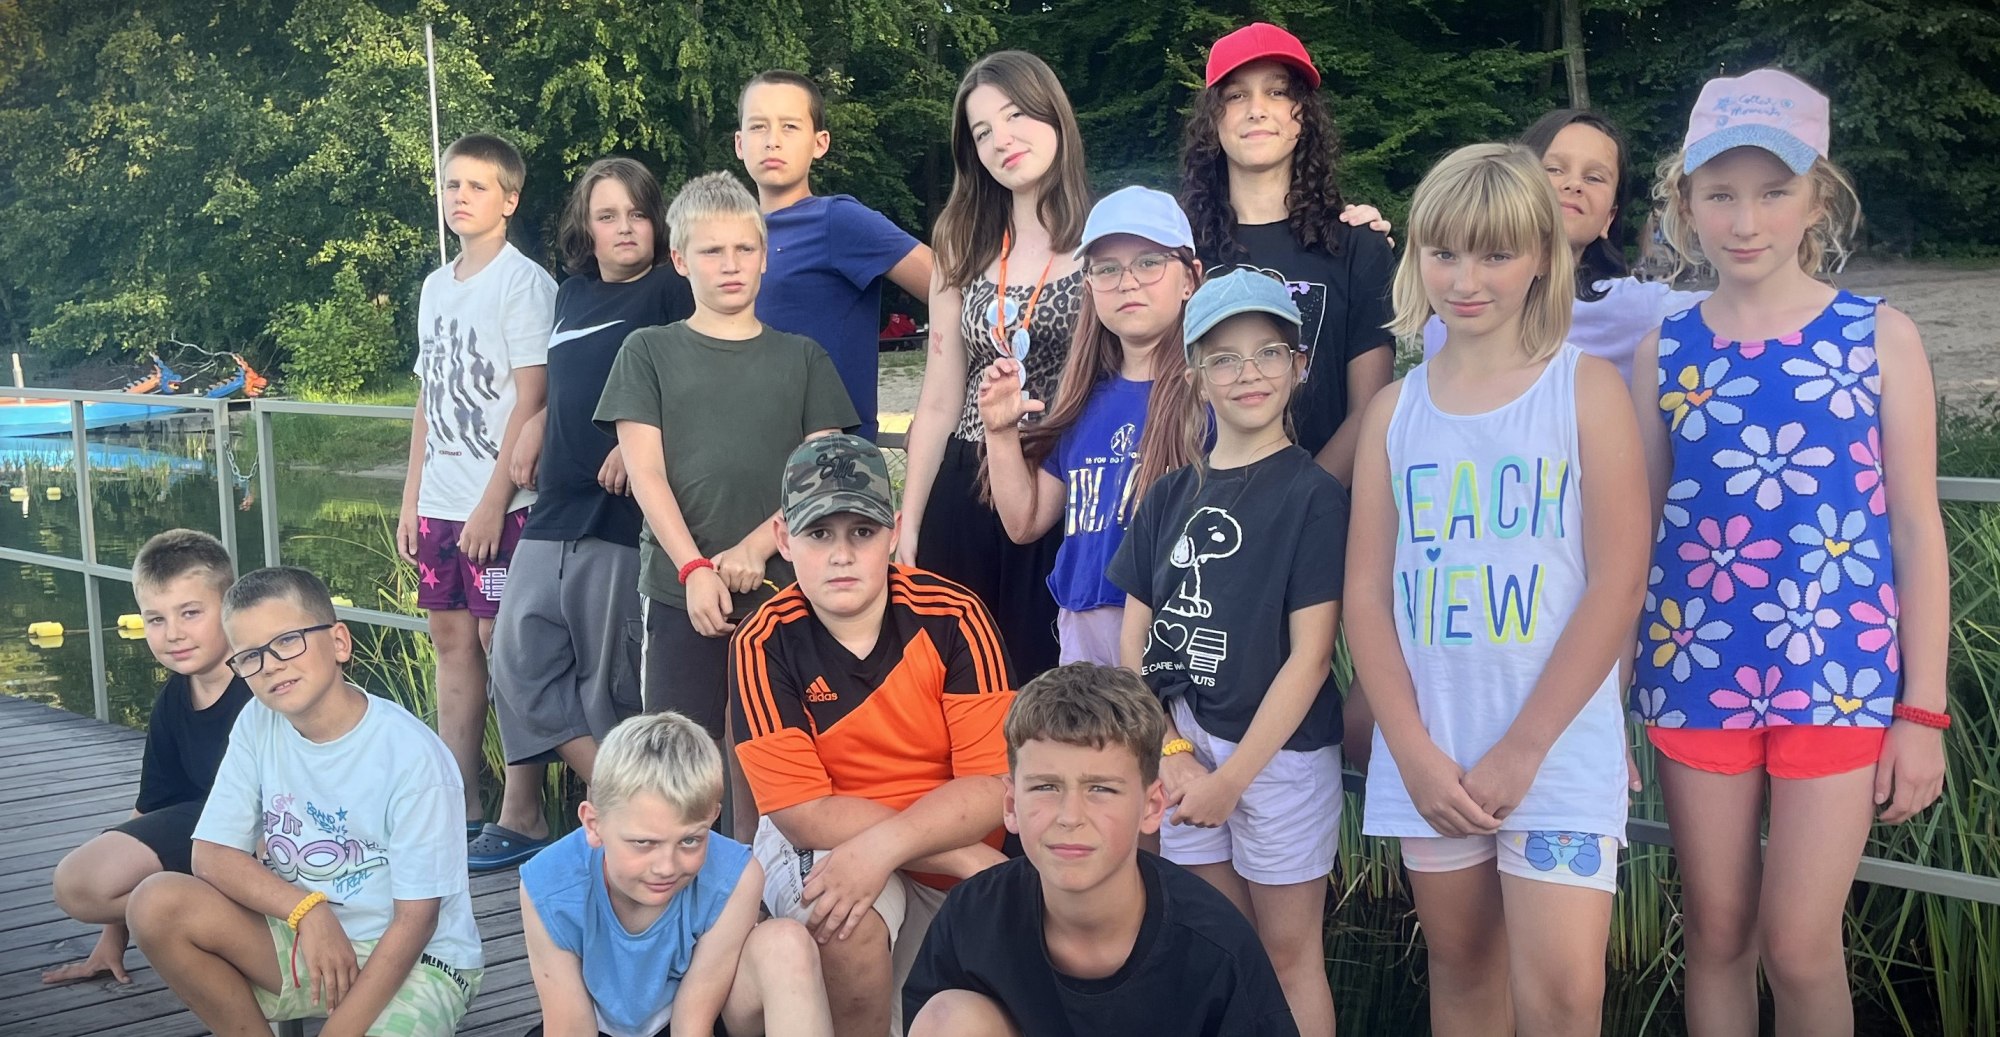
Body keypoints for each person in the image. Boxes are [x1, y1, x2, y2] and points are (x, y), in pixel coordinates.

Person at [1630, 69, 1950, 1036]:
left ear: (1818, 197)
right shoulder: (1664, 349)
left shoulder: (1879, 336)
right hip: (1694, 670)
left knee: (1802, 945)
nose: (1745, 220)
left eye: (1774, 191)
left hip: (1841, 675)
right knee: (1718, 934)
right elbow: (1637, 533)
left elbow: (1916, 530)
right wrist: (1608, 693)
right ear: (1686, 201)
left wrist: (1922, 712)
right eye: (1720, 194)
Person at [1346, 143, 1648, 1037]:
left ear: (1543, 258)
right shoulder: (1394, 412)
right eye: (1443, 253)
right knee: (1465, 975)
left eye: (1495, 254)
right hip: (1432, 754)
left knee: (1563, 998)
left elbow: (1618, 580)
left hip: (1555, 753)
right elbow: (1366, 594)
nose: (1465, 279)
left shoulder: (1585, 391)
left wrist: (1524, 747)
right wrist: (1411, 750)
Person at [1106, 269, 1348, 1036]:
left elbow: (1311, 657)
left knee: (1287, 955)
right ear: (1195, 374)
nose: (1249, 373)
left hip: (1278, 756)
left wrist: (1231, 779)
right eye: (1225, 357)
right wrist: (1171, 753)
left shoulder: (1314, 495)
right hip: (1182, 743)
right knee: (1215, 949)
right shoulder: (1167, 495)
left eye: (1268, 352)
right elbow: (1134, 643)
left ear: (1299, 365)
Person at [594, 171, 857, 833]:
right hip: (681, 590)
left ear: (766, 256)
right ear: (681, 259)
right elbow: (645, 474)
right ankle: (684, 885)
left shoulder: (804, 359)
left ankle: (764, 886)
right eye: (712, 251)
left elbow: (821, 478)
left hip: (788, 590)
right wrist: (695, 567)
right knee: (679, 764)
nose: (731, 265)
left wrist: (756, 547)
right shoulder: (647, 351)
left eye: (745, 249)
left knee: (775, 758)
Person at [730, 434, 1015, 1037]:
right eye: (818, 533)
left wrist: (893, 845)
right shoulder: (764, 640)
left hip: (947, 842)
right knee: (843, 915)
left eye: (862, 531)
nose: (842, 555)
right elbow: (802, 813)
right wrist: (956, 854)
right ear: (783, 538)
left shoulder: (956, 615)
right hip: (840, 837)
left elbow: (994, 785)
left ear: (895, 532)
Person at [127, 566, 484, 1035]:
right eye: (250, 656)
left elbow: (417, 921)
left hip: (419, 959)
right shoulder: (257, 722)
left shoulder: (412, 757)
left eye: (287, 641)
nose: (271, 664)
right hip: (306, 936)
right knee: (155, 903)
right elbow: (210, 854)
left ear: (339, 642)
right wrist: (308, 911)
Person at [485, 157, 696, 865]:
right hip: (555, 505)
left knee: (608, 687)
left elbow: (693, 376)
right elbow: (567, 381)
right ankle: (629, 805)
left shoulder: (671, 289)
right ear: (587, 228)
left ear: (656, 223)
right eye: (608, 216)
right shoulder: (571, 295)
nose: (624, 227)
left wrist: (640, 446)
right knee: (515, 658)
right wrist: (537, 421)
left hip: (620, 514)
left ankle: (634, 837)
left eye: (637, 214)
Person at [903, 662, 1300, 1036]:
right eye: (1045, 787)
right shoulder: (973, 914)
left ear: (1152, 807)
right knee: (949, 1017)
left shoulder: (1215, 947)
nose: (1070, 816)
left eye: (1101, 789)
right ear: (1011, 805)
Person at [898, 50, 1091, 679]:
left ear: (1053, 114)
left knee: (1053, 692)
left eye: (1015, 116)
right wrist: (910, 524)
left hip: (1064, 487)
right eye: (982, 132)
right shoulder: (961, 240)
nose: (1001, 140)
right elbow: (938, 398)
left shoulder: (1105, 238)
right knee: (960, 685)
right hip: (967, 487)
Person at [395, 132, 557, 867]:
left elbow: (533, 398)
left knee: (506, 648)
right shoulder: (436, 285)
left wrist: (496, 500)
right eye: (451, 185)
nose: (460, 197)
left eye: (477, 186)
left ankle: (525, 813)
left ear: (509, 199)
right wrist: (412, 497)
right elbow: (428, 398)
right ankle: (460, 803)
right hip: (440, 501)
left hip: (505, 505)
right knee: (451, 643)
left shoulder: (524, 284)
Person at [976, 186, 1203, 667]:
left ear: (1189, 279)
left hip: (1175, 629)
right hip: (1082, 633)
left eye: (1149, 262)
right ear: (1089, 285)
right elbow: (1024, 523)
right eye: (1107, 268)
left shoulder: (1210, 397)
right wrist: (999, 432)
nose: (1127, 282)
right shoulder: (1081, 403)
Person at [519, 711, 833, 1037]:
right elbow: (569, 1027)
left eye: (690, 840)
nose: (666, 867)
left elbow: (692, 1021)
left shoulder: (737, 878)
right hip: (593, 1027)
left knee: (786, 944)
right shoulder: (546, 887)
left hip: (696, 1019)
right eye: (643, 843)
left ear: (712, 817)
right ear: (593, 825)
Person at [1178, 22, 1394, 486]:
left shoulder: (1358, 246)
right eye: (1236, 95)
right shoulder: (1179, 248)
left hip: (1322, 506)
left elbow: (1371, 410)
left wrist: (1296, 501)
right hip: (1197, 502)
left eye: (1277, 93)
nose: (1257, 109)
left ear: (1304, 116)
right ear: (1213, 119)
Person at [42, 529, 254, 986]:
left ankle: (227, 921)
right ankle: (214, 915)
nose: (173, 633)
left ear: (229, 606)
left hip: (264, 838)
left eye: (191, 613)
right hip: (203, 832)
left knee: (81, 880)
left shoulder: (264, 685)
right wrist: (112, 938)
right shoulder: (173, 700)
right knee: (78, 886)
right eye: (155, 619)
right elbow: (151, 809)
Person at [1420, 109, 1710, 385]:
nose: (1573, 184)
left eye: (1594, 178)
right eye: (1554, 169)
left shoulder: (1636, 310)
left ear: (1608, 219)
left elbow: (1734, 310)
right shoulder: (1451, 305)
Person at [737, 70, 935, 441]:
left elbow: (957, 295)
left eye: (790, 126)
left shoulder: (837, 220)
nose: (772, 141)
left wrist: (936, 412)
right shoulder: (727, 238)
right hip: (744, 454)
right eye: (758, 126)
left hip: (830, 464)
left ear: (820, 142)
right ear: (739, 143)